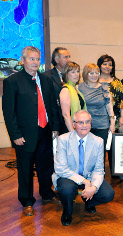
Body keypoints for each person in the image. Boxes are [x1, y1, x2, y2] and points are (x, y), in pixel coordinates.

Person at [2, 46, 61, 217]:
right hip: (24, 135)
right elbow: (8, 111)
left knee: (46, 167)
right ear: (23, 60)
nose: (35, 62)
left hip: (45, 131)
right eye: (31, 59)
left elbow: (52, 105)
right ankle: (27, 201)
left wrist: (55, 127)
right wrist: (15, 135)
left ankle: (47, 194)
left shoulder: (46, 80)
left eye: (37, 59)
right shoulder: (12, 82)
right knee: (25, 169)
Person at [53, 110, 115, 226]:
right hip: (69, 176)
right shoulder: (63, 140)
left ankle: (89, 202)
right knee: (66, 190)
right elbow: (61, 168)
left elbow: (99, 169)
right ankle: (67, 212)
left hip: (89, 176)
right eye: (80, 122)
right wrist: (84, 181)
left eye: (87, 122)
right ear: (73, 124)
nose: (85, 125)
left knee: (108, 194)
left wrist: (94, 187)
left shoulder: (98, 141)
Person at [78, 63, 115, 155]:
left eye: (97, 73)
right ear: (86, 74)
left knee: (100, 154)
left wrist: (112, 123)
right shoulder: (79, 87)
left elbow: (109, 106)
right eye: (91, 73)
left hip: (102, 125)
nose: (95, 76)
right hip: (85, 125)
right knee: (85, 153)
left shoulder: (104, 87)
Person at [43, 47, 71, 133]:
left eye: (69, 57)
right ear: (57, 60)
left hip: (72, 120)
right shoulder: (46, 77)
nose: (69, 60)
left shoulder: (73, 75)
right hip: (56, 123)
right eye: (66, 57)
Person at [97, 54, 123, 129]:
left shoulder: (117, 82)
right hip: (97, 119)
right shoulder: (94, 81)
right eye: (105, 64)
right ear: (99, 66)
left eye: (110, 65)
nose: (107, 67)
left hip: (114, 120)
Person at [59, 62, 87, 134]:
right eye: (73, 72)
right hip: (69, 130)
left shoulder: (76, 89)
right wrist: (73, 133)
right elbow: (66, 115)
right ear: (66, 74)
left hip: (77, 129)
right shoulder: (65, 89)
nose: (76, 74)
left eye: (77, 71)